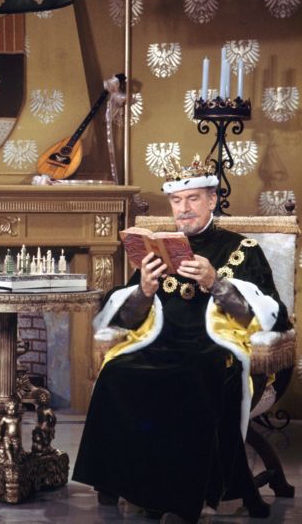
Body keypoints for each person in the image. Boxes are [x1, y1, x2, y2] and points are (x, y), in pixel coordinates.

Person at [72, 155, 290, 524]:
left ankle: (183, 501)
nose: (184, 208)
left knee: (189, 376)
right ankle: (126, 482)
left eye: (192, 199)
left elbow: (270, 318)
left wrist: (215, 282)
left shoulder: (243, 249)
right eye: (176, 200)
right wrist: (143, 289)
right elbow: (126, 319)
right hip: (160, 342)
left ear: (212, 200)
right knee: (117, 371)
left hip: (216, 348)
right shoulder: (157, 248)